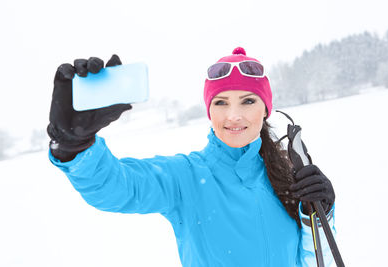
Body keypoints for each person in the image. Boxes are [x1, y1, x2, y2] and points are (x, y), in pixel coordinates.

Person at [47, 47, 336, 267]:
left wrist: (320, 213)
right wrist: (76, 147)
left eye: (248, 101)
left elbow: (311, 260)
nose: (233, 116)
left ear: (265, 109)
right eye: (221, 103)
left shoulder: (287, 176)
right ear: (210, 112)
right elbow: (118, 187)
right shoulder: (186, 176)